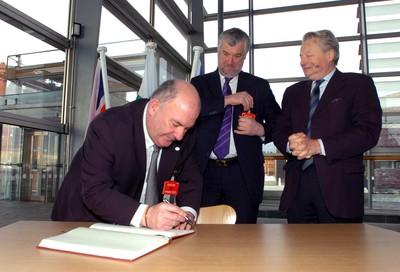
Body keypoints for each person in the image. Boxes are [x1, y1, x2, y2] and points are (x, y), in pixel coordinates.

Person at [51, 79, 202, 230]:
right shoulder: (108, 127)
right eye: (175, 124)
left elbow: (191, 179)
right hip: (82, 221)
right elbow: (95, 191)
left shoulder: (183, 133)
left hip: (135, 227)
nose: (180, 135)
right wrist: (147, 215)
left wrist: (187, 215)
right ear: (154, 107)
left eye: (187, 128)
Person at [272, 30, 382, 223]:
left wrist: (318, 145)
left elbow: (368, 132)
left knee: (341, 252)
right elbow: (279, 130)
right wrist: (291, 144)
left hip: (340, 190)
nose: (302, 61)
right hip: (298, 189)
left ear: (330, 55)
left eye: (308, 55)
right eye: (301, 56)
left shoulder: (358, 85)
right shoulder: (292, 93)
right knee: (299, 252)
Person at [191, 28, 281, 223]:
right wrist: (227, 100)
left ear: (245, 56)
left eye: (237, 56)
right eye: (225, 54)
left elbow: (281, 125)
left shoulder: (259, 86)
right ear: (218, 51)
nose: (230, 61)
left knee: (244, 239)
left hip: (243, 174)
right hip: (205, 172)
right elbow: (191, 114)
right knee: (203, 238)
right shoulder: (199, 84)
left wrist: (260, 129)